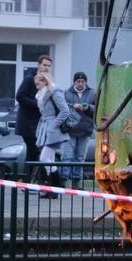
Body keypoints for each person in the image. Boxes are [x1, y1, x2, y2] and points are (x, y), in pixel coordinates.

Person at [33, 71, 71, 199]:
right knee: (50, 159)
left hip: (53, 129)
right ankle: (52, 189)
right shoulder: (43, 93)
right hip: (47, 127)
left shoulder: (54, 91)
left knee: (44, 158)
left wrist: (54, 125)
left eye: (38, 84)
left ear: (45, 82)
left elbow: (65, 111)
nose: (36, 86)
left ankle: (56, 186)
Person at [14, 54, 53, 164]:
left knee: (38, 152)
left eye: (49, 66)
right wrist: (37, 104)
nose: (47, 68)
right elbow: (19, 96)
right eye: (45, 65)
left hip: (38, 122)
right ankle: (28, 178)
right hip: (28, 123)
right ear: (39, 65)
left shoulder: (46, 80)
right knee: (33, 151)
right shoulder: (29, 79)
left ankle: (36, 177)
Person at [62, 71, 96, 190]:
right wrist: (73, 106)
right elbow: (62, 105)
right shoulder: (67, 92)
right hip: (70, 129)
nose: (80, 84)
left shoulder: (92, 93)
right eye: (78, 81)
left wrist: (88, 108)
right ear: (74, 82)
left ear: (86, 82)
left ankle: (77, 181)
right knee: (67, 156)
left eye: (83, 81)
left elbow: (97, 108)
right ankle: (63, 180)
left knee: (81, 157)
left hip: (86, 129)